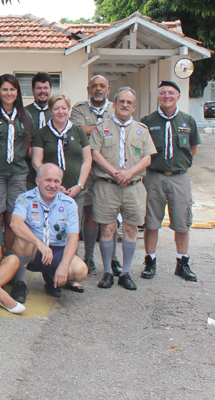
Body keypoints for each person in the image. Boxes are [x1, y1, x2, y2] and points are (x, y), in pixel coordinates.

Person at [90, 87, 157, 291]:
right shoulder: (101, 127)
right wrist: (115, 172)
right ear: (115, 104)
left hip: (133, 187)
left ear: (134, 106)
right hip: (107, 186)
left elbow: (147, 157)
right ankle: (108, 272)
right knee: (107, 229)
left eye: (129, 102)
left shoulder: (141, 130)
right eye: (122, 101)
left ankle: (126, 273)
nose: (125, 105)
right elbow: (95, 154)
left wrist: (129, 173)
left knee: (130, 230)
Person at [140, 81, 201, 282]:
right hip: (154, 176)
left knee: (182, 222)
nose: (167, 96)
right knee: (151, 222)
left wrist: (178, 164)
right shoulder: (148, 121)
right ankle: (150, 262)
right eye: (163, 93)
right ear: (158, 96)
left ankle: (182, 263)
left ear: (178, 96)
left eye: (171, 93)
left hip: (179, 177)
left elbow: (193, 148)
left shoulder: (188, 120)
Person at [10, 163, 88, 302]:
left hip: (57, 251)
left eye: (56, 181)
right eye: (48, 180)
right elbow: (15, 223)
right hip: (34, 251)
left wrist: (64, 265)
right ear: (38, 181)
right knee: (22, 240)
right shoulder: (25, 198)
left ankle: (52, 277)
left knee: (81, 270)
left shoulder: (69, 204)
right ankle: (19, 282)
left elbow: (73, 239)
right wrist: (39, 244)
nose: (52, 185)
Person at [30, 94, 91, 260]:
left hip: (75, 191)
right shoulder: (42, 133)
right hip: (50, 191)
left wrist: (79, 185)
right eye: (56, 108)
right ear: (50, 111)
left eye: (64, 108)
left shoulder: (78, 131)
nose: (61, 112)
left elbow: (87, 160)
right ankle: (50, 265)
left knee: (72, 229)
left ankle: (70, 264)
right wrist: (54, 185)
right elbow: (37, 162)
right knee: (52, 228)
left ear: (69, 110)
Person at [70, 75, 117, 273]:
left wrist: (92, 129)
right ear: (88, 89)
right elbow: (78, 130)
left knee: (110, 214)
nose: (98, 89)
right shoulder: (79, 109)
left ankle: (113, 258)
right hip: (87, 168)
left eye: (102, 86)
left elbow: (119, 129)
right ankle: (88, 257)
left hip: (109, 168)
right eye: (94, 86)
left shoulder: (115, 107)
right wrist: (107, 128)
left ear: (108, 89)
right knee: (88, 212)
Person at [0, 74, 32, 251]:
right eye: (5, 89)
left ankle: (9, 254)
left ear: (17, 92)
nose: (9, 93)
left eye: (12, 89)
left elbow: (27, 143)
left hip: (17, 173)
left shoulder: (25, 115)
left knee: (13, 218)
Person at [24, 72, 52, 190]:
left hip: (53, 170)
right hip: (28, 172)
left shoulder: (57, 113)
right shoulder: (24, 113)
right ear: (33, 90)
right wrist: (37, 158)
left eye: (46, 88)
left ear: (50, 90)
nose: (42, 91)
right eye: (39, 88)